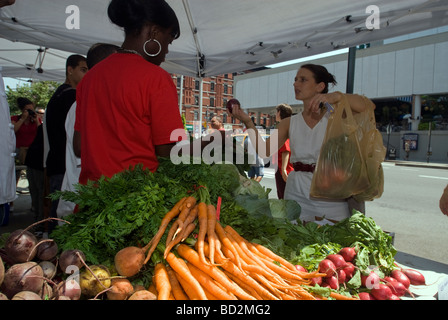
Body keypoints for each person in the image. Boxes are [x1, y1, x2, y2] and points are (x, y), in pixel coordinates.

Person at [229, 64, 372, 223]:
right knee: (296, 236)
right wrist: (248, 122)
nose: (295, 84)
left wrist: (336, 97)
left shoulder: (337, 117)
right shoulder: (288, 123)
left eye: (303, 80)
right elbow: (264, 151)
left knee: (332, 239)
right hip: (296, 192)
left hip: (331, 196)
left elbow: (366, 106)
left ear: (320, 86)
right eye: (295, 80)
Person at [74, 0, 188, 186]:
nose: (166, 50)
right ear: (153, 32)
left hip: (92, 200)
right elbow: (168, 156)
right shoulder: (156, 78)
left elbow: (78, 146)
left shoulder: (90, 77)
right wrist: (206, 146)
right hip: (137, 203)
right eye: (168, 40)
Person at [57, 43, 119, 220]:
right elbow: (80, 149)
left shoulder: (97, 100)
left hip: (89, 199)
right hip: (78, 199)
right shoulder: (81, 105)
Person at [45, 54, 88, 231]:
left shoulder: (57, 94)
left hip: (57, 162)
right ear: (70, 70)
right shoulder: (72, 97)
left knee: (57, 213)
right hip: (66, 165)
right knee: (62, 221)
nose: (87, 74)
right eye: (83, 69)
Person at [274, 103, 293, 199]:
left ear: (280, 113)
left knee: (283, 196)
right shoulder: (291, 126)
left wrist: (283, 169)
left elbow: (286, 150)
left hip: (284, 169)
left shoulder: (283, 128)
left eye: (276, 112)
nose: (275, 114)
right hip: (289, 167)